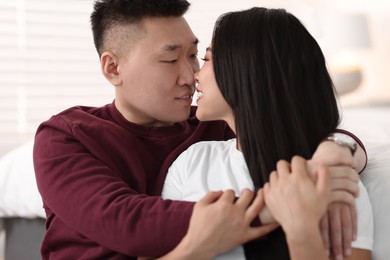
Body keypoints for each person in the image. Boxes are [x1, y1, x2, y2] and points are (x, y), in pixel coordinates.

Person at [32, 1, 368, 259]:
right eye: (169, 60)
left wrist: (335, 150)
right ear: (113, 67)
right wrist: (284, 203)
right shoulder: (66, 135)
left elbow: (285, 127)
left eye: (195, 55)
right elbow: (124, 219)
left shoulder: (212, 126)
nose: (190, 74)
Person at [161, 7, 373, 260]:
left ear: (245, 70)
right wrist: (199, 245)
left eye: (207, 59)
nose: (195, 75)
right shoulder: (191, 163)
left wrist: (301, 228)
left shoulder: (331, 180)